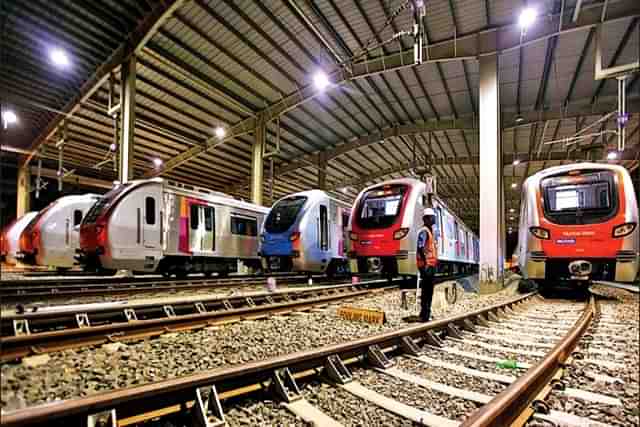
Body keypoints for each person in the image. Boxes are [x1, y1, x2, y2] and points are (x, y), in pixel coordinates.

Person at [416, 208, 438, 322]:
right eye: (432, 217)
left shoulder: (429, 231)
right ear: (426, 219)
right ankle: (425, 316)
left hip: (430, 265)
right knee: (427, 291)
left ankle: (425, 313)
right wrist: (425, 263)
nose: (434, 218)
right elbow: (420, 247)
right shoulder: (424, 231)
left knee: (428, 291)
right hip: (427, 266)